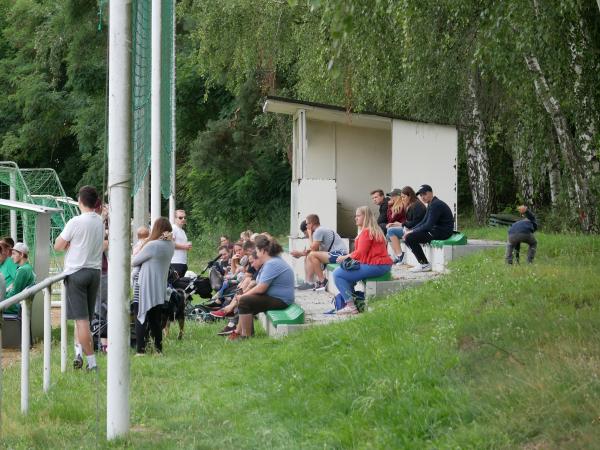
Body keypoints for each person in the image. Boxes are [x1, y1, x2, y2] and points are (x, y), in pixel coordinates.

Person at [55, 185, 104, 371]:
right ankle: (78, 353)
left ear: (80, 201)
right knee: (83, 319)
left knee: (81, 320)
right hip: (94, 272)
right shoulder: (99, 221)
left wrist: (70, 244)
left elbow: (58, 245)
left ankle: (92, 362)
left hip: (76, 273)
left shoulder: (75, 221)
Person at [228, 235, 295, 340]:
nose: (256, 253)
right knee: (245, 300)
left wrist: (244, 295)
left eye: (257, 250)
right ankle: (240, 332)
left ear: (263, 251)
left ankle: (246, 336)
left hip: (282, 300)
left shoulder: (272, 263)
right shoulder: (271, 262)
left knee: (245, 300)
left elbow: (261, 288)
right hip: (277, 298)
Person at [333, 206, 393, 315]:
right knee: (344, 273)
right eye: (355, 216)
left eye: (358, 216)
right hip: (380, 265)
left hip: (376, 265)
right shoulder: (374, 229)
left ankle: (351, 306)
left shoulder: (366, 232)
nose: (355, 218)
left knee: (337, 274)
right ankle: (352, 302)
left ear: (366, 217)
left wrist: (345, 257)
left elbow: (360, 253)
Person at [131, 217, 175, 354]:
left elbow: (135, 261)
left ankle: (140, 350)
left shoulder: (152, 245)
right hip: (159, 286)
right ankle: (158, 349)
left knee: (140, 315)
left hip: (145, 284)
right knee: (155, 319)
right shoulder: (171, 245)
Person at [403, 184, 454, 272]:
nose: (423, 197)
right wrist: (411, 230)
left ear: (430, 193)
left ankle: (424, 264)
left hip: (442, 232)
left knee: (410, 238)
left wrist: (412, 232)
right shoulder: (431, 204)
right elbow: (423, 221)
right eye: (421, 195)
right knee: (409, 236)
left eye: (424, 194)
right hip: (437, 230)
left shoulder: (436, 205)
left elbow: (428, 225)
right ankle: (423, 263)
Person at [290, 214, 348, 291]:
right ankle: (309, 283)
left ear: (312, 223)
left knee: (312, 255)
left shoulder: (319, 230)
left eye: (307, 224)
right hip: (334, 254)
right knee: (309, 256)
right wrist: (301, 254)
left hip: (340, 254)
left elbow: (313, 249)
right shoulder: (319, 230)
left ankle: (323, 281)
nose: (306, 226)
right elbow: (314, 249)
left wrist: (310, 234)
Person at [386, 186, 426, 264]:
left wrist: (401, 224)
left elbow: (415, 222)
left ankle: (401, 256)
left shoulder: (415, 205)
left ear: (409, 196)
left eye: (403, 197)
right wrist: (400, 224)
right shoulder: (410, 204)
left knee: (391, 230)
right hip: (410, 228)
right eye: (401, 197)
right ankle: (399, 256)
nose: (402, 199)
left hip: (416, 229)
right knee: (388, 234)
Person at [3, 242, 36, 315]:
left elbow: (14, 294)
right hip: (19, 304)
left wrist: (2, 297)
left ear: (21, 255)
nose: (11, 257)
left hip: (15, 306)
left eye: (14, 254)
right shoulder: (27, 267)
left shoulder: (22, 270)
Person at [170, 209, 192, 278]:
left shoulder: (182, 231)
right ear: (175, 218)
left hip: (183, 262)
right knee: (176, 285)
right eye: (180, 217)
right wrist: (184, 246)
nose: (183, 219)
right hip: (175, 262)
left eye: (184, 217)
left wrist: (186, 247)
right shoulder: (173, 228)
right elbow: (170, 244)